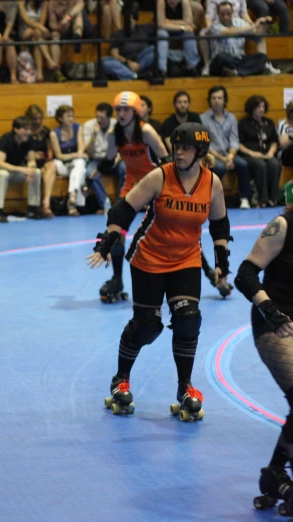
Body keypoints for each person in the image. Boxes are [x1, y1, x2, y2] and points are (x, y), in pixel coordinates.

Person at [88, 123, 230, 420]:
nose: (178, 153)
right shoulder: (160, 176)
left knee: (188, 318)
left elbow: (219, 226)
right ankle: (120, 380)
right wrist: (107, 242)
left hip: (186, 259)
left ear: (200, 152)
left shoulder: (211, 183)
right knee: (147, 325)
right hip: (149, 257)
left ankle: (185, 387)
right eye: (176, 147)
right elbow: (122, 210)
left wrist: (222, 265)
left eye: (185, 148)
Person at [234, 182, 293, 511]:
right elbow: (245, 274)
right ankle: (275, 476)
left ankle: (273, 476)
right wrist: (268, 308)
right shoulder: (283, 225)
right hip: (276, 325)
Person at [94, 91, 169, 303]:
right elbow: (108, 161)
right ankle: (117, 278)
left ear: (135, 112)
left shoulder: (146, 131)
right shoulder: (114, 134)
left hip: (154, 184)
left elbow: (166, 160)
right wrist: (91, 177)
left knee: (171, 232)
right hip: (131, 187)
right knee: (117, 230)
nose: (121, 113)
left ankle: (207, 272)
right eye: (118, 110)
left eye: (125, 109)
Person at [0, 115, 54, 221]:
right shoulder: (5, 139)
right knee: (3, 174)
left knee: (37, 172)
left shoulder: (29, 141)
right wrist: (23, 169)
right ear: (16, 129)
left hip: (14, 170)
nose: (28, 132)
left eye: (29, 129)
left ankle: (32, 209)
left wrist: (31, 170)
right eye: (25, 129)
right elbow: (0, 163)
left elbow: (31, 161)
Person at [200, 85, 251, 209]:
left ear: (224, 100)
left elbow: (234, 141)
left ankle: (244, 198)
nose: (217, 101)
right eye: (214, 98)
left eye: (219, 98)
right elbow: (207, 144)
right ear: (210, 100)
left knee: (243, 164)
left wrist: (230, 156)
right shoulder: (203, 118)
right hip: (213, 155)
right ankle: (212, 199)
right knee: (219, 167)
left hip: (229, 154)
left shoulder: (231, 118)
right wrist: (224, 160)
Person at [239, 94, 280, 208]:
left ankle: (274, 198)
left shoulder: (269, 122)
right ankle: (263, 199)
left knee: (275, 164)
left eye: (262, 106)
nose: (261, 109)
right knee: (260, 165)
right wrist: (253, 153)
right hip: (250, 154)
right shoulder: (244, 123)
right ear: (252, 108)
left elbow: (274, 141)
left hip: (267, 153)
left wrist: (271, 152)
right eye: (258, 107)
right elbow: (239, 144)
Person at [83, 102, 125, 214]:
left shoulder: (118, 126)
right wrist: (94, 136)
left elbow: (123, 147)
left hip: (115, 158)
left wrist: (118, 158)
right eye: (97, 116)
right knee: (89, 172)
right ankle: (105, 204)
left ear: (110, 117)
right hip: (96, 159)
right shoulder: (89, 126)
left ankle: (120, 203)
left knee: (125, 169)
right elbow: (88, 152)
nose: (98, 120)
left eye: (101, 117)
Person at [50, 104, 88, 216]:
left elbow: (81, 146)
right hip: (62, 163)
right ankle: (73, 202)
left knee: (79, 166)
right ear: (60, 119)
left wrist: (79, 154)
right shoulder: (54, 133)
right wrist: (75, 155)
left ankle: (72, 197)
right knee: (80, 169)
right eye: (68, 116)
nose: (71, 119)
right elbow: (59, 155)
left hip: (75, 162)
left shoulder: (77, 127)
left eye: (72, 116)